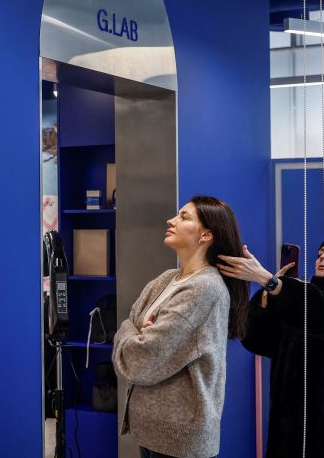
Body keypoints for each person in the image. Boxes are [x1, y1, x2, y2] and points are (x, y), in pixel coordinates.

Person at [112, 195, 249, 458]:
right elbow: (129, 323)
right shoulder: (166, 279)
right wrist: (133, 331)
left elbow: (140, 359)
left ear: (206, 235)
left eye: (183, 217)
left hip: (180, 440)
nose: (171, 220)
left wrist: (134, 333)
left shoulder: (204, 288)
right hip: (151, 432)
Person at [217, 241, 324, 458]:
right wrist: (266, 297)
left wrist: (269, 281)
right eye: (320, 253)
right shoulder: (298, 301)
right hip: (285, 426)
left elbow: (319, 310)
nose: (323, 257)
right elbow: (257, 341)